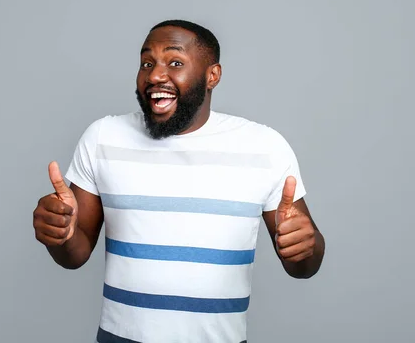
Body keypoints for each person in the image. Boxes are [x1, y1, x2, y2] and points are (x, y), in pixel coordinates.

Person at [32, 20, 325, 343]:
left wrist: (304, 249)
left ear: (212, 76)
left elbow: (304, 264)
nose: (155, 75)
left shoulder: (265, 147)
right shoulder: (103, 137)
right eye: (147, 63)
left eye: (174, 62)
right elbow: (75, 253)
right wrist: (59, 234)